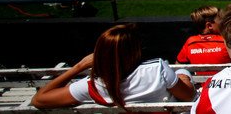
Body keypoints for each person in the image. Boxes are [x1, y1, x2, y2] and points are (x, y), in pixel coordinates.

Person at [30, 23, 195, 109]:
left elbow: (39, 100)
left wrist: (78, 67)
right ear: (134, 50)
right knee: (182, 69)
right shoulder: (156, 69)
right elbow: (188, 96)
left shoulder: (94, 85)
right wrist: (183, 76)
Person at [177, 6, 231, 76]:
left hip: (200, 85)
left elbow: (177, 67)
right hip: (224, 85)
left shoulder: (190, 42)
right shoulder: (225, 40)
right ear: (209, 25)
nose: (224, 23)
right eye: (221, 20)